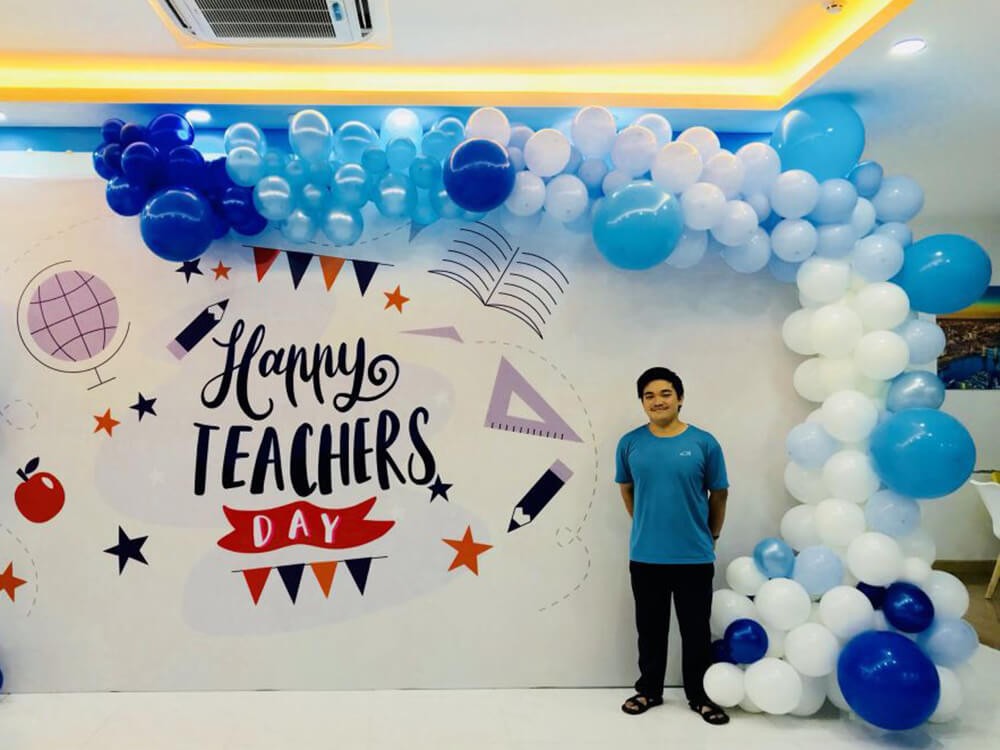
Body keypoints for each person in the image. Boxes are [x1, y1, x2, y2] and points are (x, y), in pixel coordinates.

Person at [615, 366, 730, 725]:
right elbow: (626, 488)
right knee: (650, 630)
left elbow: (719, 493)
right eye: (649, 396)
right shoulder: (630, 443)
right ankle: (649, 690)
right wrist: (645, 523)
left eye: (665, 393)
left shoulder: (704, 443)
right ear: (642, 402)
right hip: (646, 556)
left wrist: (711, 536)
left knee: (696, 631)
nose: (657, 401)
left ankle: (700, 696)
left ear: (680, 398)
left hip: (694, 556)